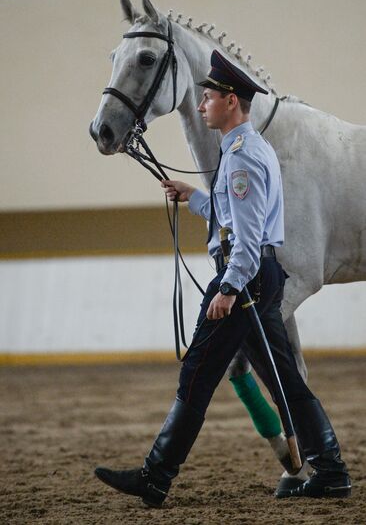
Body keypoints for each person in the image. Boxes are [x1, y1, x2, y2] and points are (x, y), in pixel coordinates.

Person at [94, 50, 351, 506]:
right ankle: (330, 470)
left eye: (208, 97)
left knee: (198, 372)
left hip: (245, 280)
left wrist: (229, 289)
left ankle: (156, 475)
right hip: (258, 276)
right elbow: (236, 218)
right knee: (284, 377)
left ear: (231, 101)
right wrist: (194, 198)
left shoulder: (240, 160)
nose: (200, 105)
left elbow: (247, 238)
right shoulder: (248, 150)